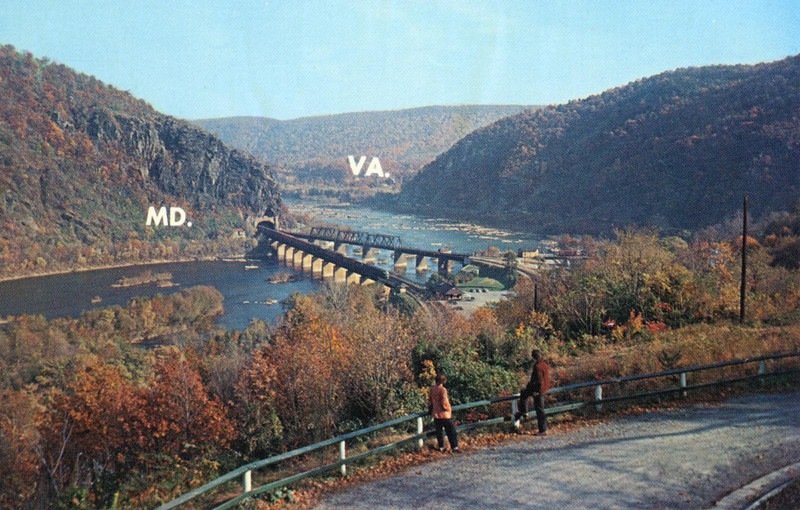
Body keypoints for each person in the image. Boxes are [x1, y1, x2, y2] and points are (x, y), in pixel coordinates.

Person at [516, 349, 550, 435]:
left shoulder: (538, 366)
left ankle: (543, 430)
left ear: (533, 357)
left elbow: (539, 380)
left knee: (540, 409)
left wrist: (537, 391)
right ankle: (524, 412)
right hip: (542, 388)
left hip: (538, 390)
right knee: (524, 393)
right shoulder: (544, 364)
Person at [428, 373, 459, 452]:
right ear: (443, 381)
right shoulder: (442, 390)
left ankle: (441, 447)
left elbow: (430, 401)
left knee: (439, 432)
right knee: (451, 431)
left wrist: (430, 409)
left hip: (436, 413)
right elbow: (444, 402)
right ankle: (454, 447)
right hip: (444, 414)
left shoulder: (432, 388)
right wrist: (448, 409)